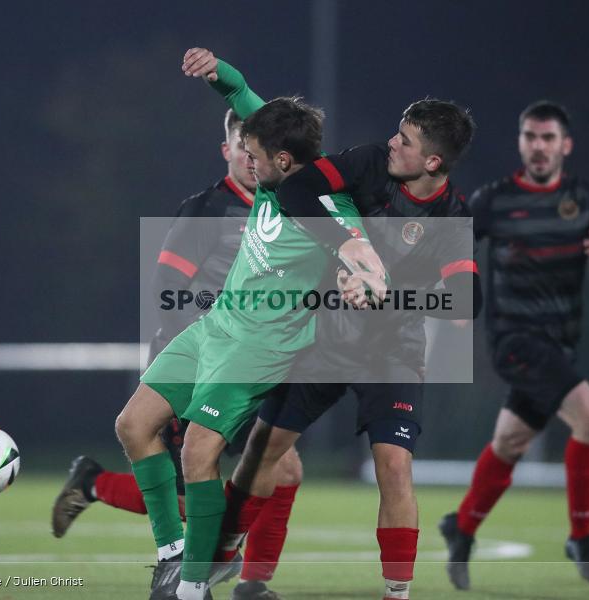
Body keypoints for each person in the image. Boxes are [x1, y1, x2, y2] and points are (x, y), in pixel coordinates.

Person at [181, 48, 480, 600]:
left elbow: (467, 300)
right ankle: (226, 555)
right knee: (264, 450)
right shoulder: (369, 162)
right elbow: (294, 182)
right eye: (397, 132)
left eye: (406, 140)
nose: (393, 142)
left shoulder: (453, 215)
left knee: (394, 465)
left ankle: (398, 593)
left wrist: (386, 288)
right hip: (322, 336)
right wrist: (350, 251)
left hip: (392, 349)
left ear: (433, 163)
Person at [118, 56, 387, 600]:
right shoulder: (278, 168)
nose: (247, 159)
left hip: (261, 349)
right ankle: (174, 557)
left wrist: (368, 279)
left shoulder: (328, 206)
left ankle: (192, 590)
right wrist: (218, 70)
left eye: (255, 154)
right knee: (133, 425)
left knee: (198, 451)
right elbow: (241, 94)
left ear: (283, 160)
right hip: (216, 326)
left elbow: (358, 248)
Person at [50, 110, 301, 600]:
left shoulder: (283, 207)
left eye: (258, 148)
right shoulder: (207, 209)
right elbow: (168, 289)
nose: (251, 158)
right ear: (226, 150)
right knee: (189, 493)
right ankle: (100, 488)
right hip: (203, 359)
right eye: (241, 146)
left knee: (282, 467)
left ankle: (251, 582)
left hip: (249, 361)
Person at [438, 100, 589, 590]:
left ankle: (460, 528)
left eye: (548, 138)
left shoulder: (587, 197)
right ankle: (581, 537)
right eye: (530, 136)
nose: (539, 146)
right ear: (520, 142)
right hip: (513, 340)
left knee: (510, 442)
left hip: (560, 344)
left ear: (565, 145)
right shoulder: (495, 199)